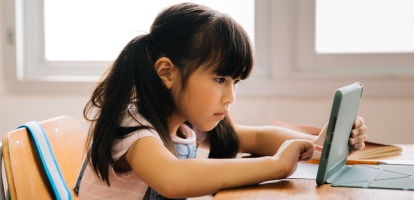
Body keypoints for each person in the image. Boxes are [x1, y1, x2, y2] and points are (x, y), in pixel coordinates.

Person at [78, 2, 368, 199]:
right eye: (220, 80)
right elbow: (173, 177)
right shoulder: (133, 127)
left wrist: (321, 144)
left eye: (235, 82)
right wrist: (277, 165)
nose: (230, 97)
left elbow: (257, 138)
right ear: (167, 72)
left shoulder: (181, 122)